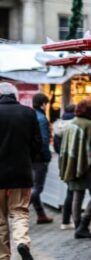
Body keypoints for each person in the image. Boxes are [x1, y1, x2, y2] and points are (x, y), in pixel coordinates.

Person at [0, 82, 39, 260]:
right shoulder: (28, 113)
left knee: (0, 220)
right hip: (21, 173)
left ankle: (3, 256)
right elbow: (37, 144)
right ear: (15, 95)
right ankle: (22, 241)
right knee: (20, 211)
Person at [59, 98, 91, 239]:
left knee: (77, 195)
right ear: (90, 111)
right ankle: (84, 225)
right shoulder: (89, 125)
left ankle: (78, 227)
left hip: (73, 165)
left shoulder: (72, 123)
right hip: (87, 167)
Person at [30, 93, 53, 225]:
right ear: (43, 104)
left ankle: (41, 215)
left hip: (31, 157)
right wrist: (46, 157)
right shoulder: (42, 119)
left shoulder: (30, 115)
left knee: (34, 186)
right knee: (37, 188)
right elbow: (44, 140)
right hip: (39, 158)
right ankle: (17, 212)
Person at [52, 104, 76, 230]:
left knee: (70, 190)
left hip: (63, 161)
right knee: (72, 191)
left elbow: (56, 147)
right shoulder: (75, 125)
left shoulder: (58, 126)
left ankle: (67, 219)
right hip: (73, 161)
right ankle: (67, 220)